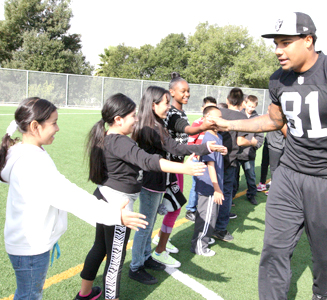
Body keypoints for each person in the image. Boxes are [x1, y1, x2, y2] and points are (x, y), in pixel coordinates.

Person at [211, 12, 327, 300]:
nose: (277, 50)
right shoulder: (278, 79)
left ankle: (321, 294)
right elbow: (274, 121)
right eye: (276, 43)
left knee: (325, 259)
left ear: (308, 40)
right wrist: (230, 123)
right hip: (288, 175)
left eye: (285, 42)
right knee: (273, 251)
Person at [0, 97, 150, 300]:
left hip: (23, 242)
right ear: (35, 126)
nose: (57, 128)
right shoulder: (32, 162)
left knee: (28, 293)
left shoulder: (19, 151)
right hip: (30, 247)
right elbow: (70, 196)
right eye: (53, 123)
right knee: (29, 296)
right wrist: (115, 214)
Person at [75, 94, 207, 300]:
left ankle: (84, 294)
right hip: (118, 205)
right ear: (118, 119)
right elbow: (148, 161)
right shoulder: (120, 142)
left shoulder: (109, 138)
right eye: (133, 115)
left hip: (105, 197)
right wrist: (185, 168)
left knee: (100, 247)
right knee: (116, 259)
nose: (136, 119)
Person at [129, 86, 226, 284]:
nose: (168, 107)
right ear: (153, 104)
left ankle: (146, 257)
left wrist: (204, 146)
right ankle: (136, 266)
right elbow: (175, 147)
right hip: (150, 183)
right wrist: (204, 146)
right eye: (165, 103)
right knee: (145, 227)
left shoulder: (157, 123)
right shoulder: (150, 127)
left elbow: (175, 146)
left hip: (158, 182)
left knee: (149, 224)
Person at [213, 88, 257, 242]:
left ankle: (204, 224)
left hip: (212, 159)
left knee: (209, 193)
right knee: (225, 194)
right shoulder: (240, 116)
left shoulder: (217, 112)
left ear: (227, 100)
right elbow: (240, 141)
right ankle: (220, 228)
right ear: (241, 102)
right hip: (229, 161)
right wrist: (252, 142)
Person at [190, 106, 224, 256]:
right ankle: (199, 245)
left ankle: (205, 236)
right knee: (207, 215)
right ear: (208, 119)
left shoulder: (218, 136)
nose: (220, 121)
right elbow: (210, 165)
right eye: (217, 118)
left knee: (209, 213)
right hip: (209, 185)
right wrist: (216, 188)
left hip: (214, 183)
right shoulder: (209, 138)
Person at [186, 96, 218, 222]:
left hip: (208, 158)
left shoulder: (215, 125)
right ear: (203, 109)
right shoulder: (197, 124)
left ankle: (201, 207)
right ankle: (191, 209)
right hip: (198, 159)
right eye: (208, 109)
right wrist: (197, 155)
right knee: (196, 184)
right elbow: (190, 143)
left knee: (206, 183)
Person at [236, 95, 264, 205]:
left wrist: (255, 144)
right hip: (237, 153)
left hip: (249, 154)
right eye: (249, 106)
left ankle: (251, 194)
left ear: (256, 106)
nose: (250, 108)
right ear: (244, 104)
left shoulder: (258, 119)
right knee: (234, 176)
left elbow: (260, 136)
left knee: (251, 176)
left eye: (253, 107)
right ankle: (233, 193)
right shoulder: (238, 116)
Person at [264, 104, 287, 196]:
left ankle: (274, 189)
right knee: (269, 166)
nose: (268, 111)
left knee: (274, 168)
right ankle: (272, 185)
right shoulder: (271, 118)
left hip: (277, 147)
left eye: (270, 109)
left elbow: (286, 134)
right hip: (271, 145)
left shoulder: (280, 120)